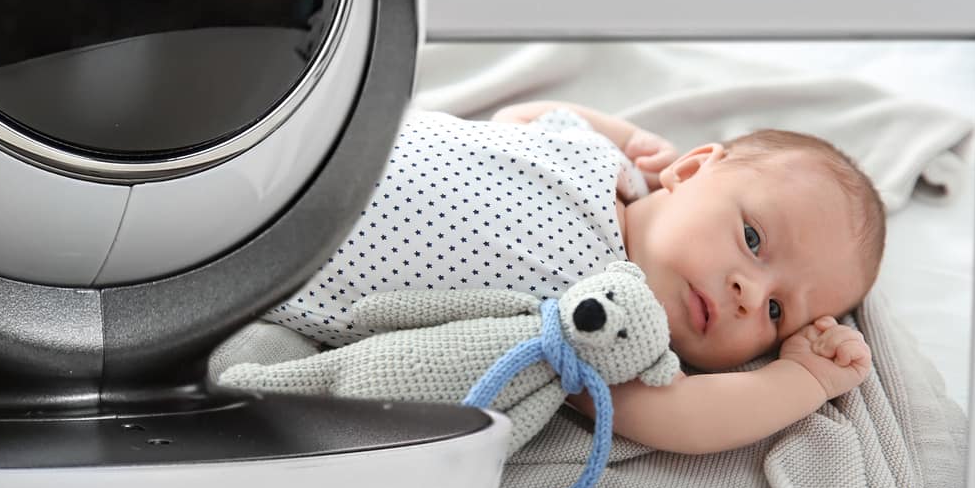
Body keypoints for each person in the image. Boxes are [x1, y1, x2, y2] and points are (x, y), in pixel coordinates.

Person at [264, 100, 885, 453]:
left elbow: (686, 420)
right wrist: (633, 137)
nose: (751, 295)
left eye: (778, 314)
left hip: (268, 257)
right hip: (310, 130)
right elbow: (521, 116)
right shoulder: (600, 159)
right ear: (692, 171)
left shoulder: (606, 330)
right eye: (752, 240)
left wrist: (803, 378)